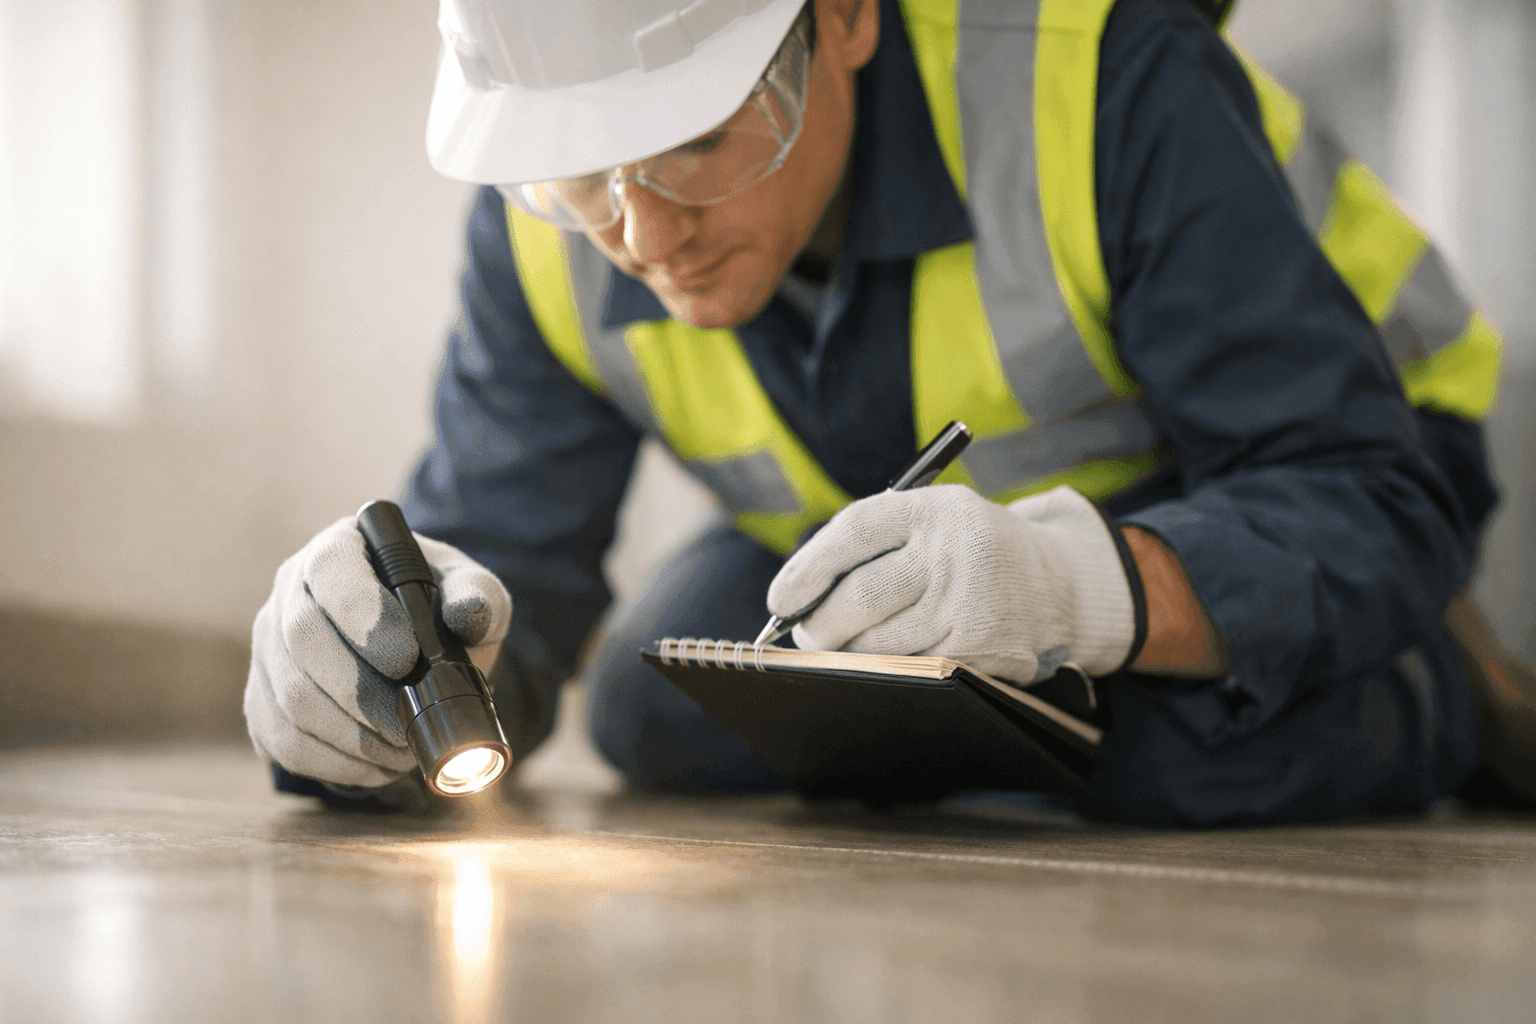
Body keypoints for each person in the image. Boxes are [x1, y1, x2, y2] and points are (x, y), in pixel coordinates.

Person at [244, 0, 1534, 825]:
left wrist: (1068, 590)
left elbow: (1368, 491)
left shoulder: (1104, 75)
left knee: (1177, 754)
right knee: (662, 708)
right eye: (583, 173)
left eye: (695, 140)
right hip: (897, 524)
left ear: (848, 14)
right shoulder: (544, 215)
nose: (643, 236)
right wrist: (362, 686)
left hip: (1319, 471)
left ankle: (1430, 687)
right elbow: (496, 588)